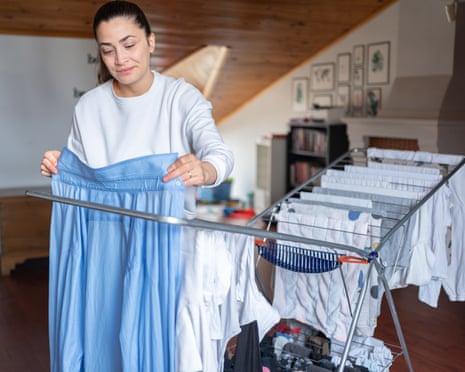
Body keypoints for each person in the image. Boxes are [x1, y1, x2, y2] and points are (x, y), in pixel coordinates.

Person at [40, 0, 233, 219]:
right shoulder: (88, 106)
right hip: (106, 233)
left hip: (168, 240)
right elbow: (82, 179)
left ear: (150, 42)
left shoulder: (181, 97)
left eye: (129, 45)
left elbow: (220, 154)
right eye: (108, 51)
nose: (120, 59)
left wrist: (206, 170)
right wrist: (60, 167)